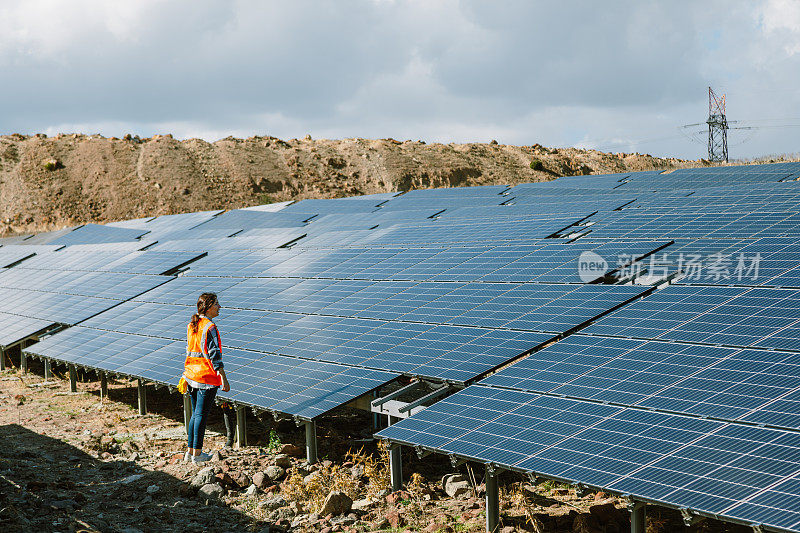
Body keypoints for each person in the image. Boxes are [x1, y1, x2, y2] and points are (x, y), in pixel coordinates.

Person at [183, 292, 230, 464]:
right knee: (201, 415)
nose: (219, 307)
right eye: (217, 304)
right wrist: (223, 377)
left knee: (195, 415)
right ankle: (197, 454)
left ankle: (190, 452)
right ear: (208, 307)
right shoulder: (209, 327)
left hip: (191, 375)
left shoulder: (192, 325)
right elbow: (214, 355)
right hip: (205, 377)